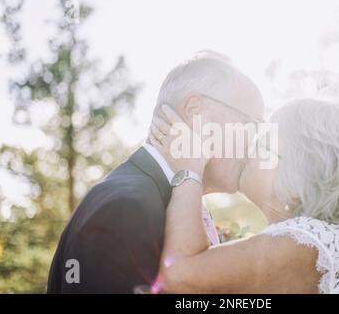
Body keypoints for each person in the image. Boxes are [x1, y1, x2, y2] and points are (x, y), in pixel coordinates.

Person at [47, 50, 264, 293]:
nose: (253, 142)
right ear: (196, 112)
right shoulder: (126, 209)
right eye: (249, 123)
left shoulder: (163, 201)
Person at [151, 99, 339, 293]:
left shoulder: (308, 242)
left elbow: (178, 277)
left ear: (299, 181)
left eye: (263, 145)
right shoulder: (312, 242)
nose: (248, 150)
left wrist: (189, 170)